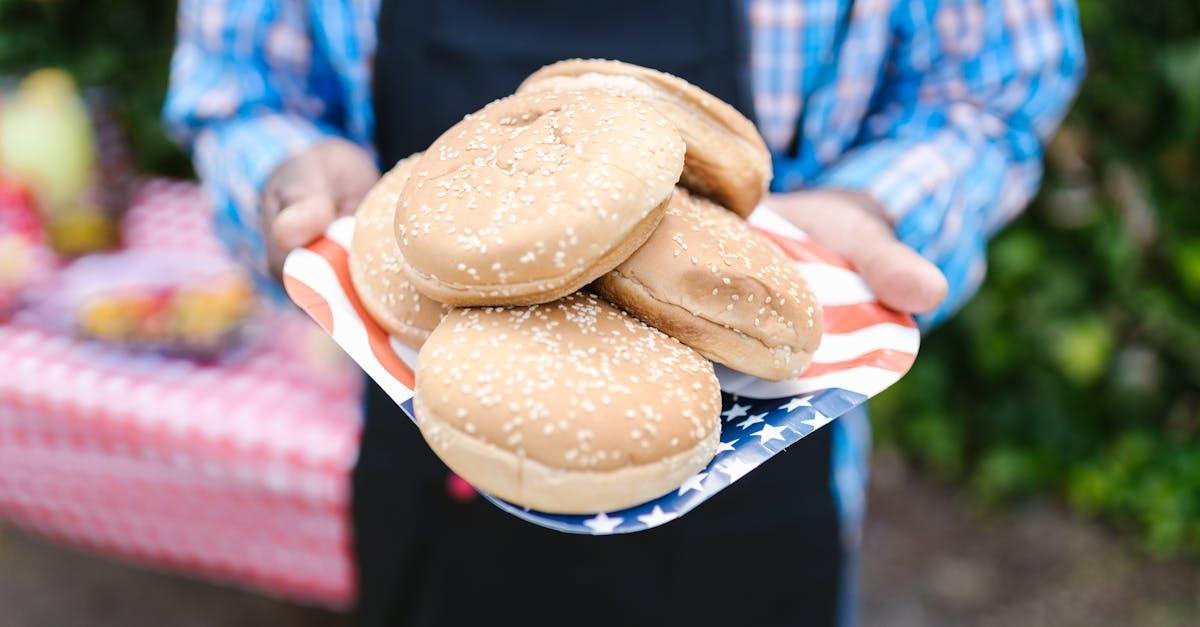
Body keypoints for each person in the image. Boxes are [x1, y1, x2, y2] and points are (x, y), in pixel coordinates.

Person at [164, 1, 1084, 625]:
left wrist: (874, 211)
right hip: (427, 426)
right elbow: (237, 86)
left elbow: (996, 80)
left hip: (763, 468)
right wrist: (290, 180)